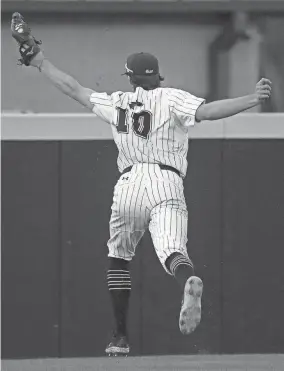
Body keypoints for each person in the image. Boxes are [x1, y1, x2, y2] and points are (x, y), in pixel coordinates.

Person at [11, 13, 272, 357]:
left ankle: (119, 337)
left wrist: (39, 61)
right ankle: (186, 282)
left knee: (119, 256)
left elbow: (74, 88)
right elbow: (209, 112)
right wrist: (250, 99)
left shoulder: (117, 101)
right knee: (173, 251)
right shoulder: (172, 98)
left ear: (131, 78)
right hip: (167, 180)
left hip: (129, 184)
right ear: (157, 77)